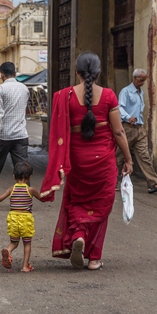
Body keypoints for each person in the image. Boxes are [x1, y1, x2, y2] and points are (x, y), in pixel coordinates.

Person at [40, 51, 133, 270]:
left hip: (77, 161)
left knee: (77, 202)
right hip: (103, 162)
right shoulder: (109, 96)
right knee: (101, 206)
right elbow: (119, 132)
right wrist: (128, 159)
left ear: (77, 72)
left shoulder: (67, 96)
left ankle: (79, 235)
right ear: (98, 72)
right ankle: (94, 258)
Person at [116, 69, 157, 194]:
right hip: (128, 128)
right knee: (119, 157)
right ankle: (112, 182)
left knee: (144, 156)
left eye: (144, 80)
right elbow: (119, 107)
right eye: (141, 80)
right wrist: (128, 117)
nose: (143, 82)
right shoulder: (126, 91)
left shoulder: (140, 93)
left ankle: (153, 183)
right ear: (134, 78)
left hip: (139, 129)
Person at [0, 161, 43, 272]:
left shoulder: (11, 189)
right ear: (30, 177)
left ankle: (8, 250)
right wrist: (51, 190)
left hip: (13, 219)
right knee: (27, 243)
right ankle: (24, 266)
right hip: (25, 220)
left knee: (14, 242)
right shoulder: (30, 190)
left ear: (14, 176)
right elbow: (42, 198)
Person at [0, 62, 30, 204]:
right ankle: (24, 201)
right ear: (16, 73)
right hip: (21, 135)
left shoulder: (0, 89)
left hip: (4, 137)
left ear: (2, 75)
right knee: (23, 170)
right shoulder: (25, 89)